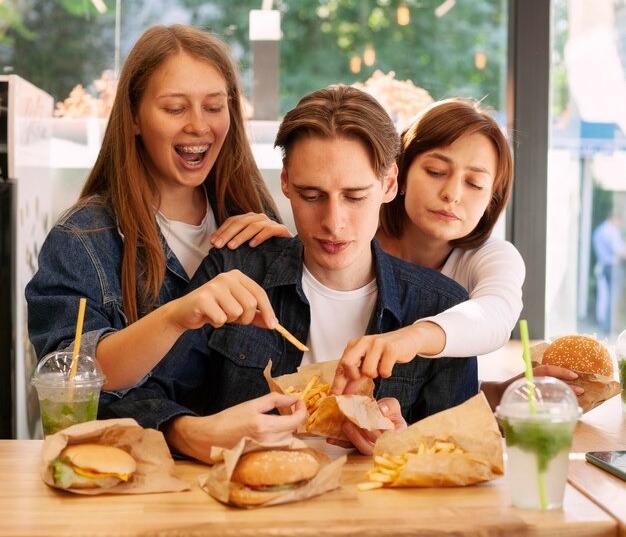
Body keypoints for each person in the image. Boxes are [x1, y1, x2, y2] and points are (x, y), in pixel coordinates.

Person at [101, 85, 477, 462]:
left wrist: (404, 446)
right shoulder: (235, 272)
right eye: (311, 196)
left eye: (355, 196)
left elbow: (461, 461)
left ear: (389, 184)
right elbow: (126, 398)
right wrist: (188, 432)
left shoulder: (442, 310)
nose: (333, 223)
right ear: (284, 183)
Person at [25, 24, 293, 422]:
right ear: (134, 118)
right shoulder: (82, 239)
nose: (199, 126)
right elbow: (72, 381)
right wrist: (176, 315)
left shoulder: (256, 225)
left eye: (214, 107)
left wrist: (290, 262)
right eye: (175, 108)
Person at [331, 98, 526, 393]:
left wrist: (413, 338)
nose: (452, 194)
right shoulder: (349, 239)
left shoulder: (491, 257)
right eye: (436, 172)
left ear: (491, 202)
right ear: (400, 177)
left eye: (474, 183)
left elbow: (495, 315)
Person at [592, 212, 625, 333]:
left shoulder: (599, 230)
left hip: (604, 266)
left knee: (605, 295)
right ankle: (610, 325)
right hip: (612, 267)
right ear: (614, 219)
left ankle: (605, 323)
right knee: (613, 297)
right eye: (620, 222)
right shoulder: (611, 231)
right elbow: (619, 251)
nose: (620, 225)